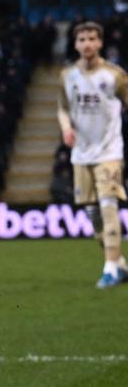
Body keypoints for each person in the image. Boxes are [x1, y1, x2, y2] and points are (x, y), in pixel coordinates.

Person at [56, 22, 128, 288]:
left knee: (108, 205)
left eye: (92, 39)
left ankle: (109, 268)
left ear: (100, 43)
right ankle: (119, 263)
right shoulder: (67, 76)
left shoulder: (114, 75)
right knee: (92, 214)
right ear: (75, 44)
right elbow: (62, 108)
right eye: (82, 39)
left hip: (109, 151)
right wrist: (66, 128)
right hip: (81, 154)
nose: (87, 44)